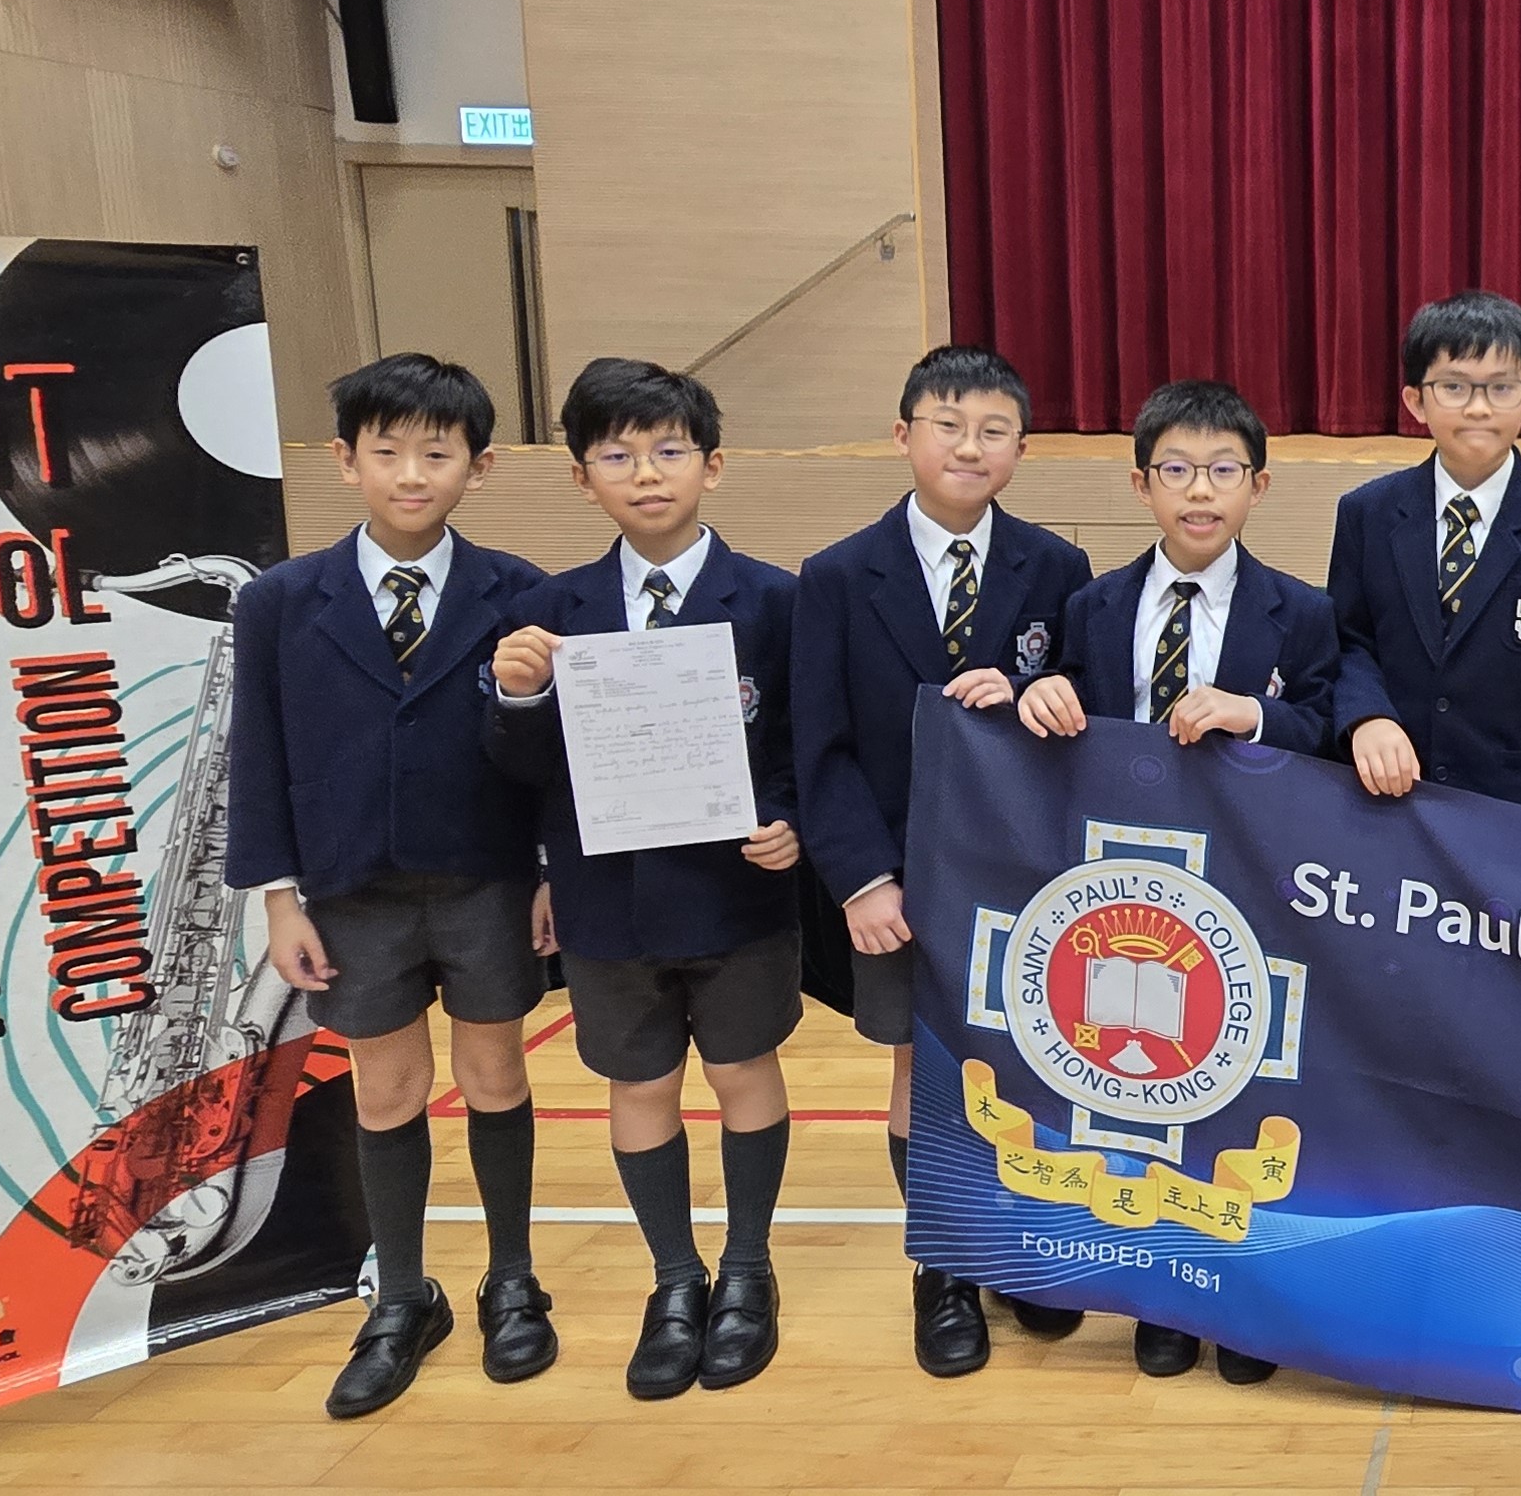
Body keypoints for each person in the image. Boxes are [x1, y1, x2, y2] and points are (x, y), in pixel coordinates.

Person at [225, 352, 556, 1419]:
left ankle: (513, 1279)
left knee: (496, 1073)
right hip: (350, 886)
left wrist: (548, 869)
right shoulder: (280, 601)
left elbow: (553, 754)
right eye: (388, 451)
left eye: (438, 453)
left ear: (479, 466)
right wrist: (279, 895)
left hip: (487, 876)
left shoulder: (521, 591)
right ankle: (403, 1294)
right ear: (346, 460)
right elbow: (257, 753)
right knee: (386, 1088)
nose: (412, 473)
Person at [487, 358, 804, 1398]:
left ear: (714, 465)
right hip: (607, 901)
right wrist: (517, 699)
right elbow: (524, 774)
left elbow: (806, 740)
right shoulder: (550, 609)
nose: (648, 473)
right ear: (582, 477)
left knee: (745, 1070)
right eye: (617, 455)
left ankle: (747, 1268)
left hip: (738, 895)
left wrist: (792, 823)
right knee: (640, 1084)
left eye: (669, 450)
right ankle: (675, 1278)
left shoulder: (776, 600)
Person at [1012, 378, 1328, 1389]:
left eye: (1223, 470)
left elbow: (1327, 726)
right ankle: (1159, 1292)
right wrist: (1036, 691)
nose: (1201, 490)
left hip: (1247, 892)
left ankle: (1239, 1296)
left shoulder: (1302, 612)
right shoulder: (1092, 606)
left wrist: (1256, 715)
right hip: (1122, 899)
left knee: (1242, 1090)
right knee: (1138, 1089)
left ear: (1258, 485)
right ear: (1141, 484)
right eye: (1178, 470)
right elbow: (1061, 709)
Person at [790, 345, 1094, 1377]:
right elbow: (819, 749)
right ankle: (946, 1268)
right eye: (948, 425)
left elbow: (1082, 718)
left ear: (1022, 447)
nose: (970, 447)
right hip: (900, 883)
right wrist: (862, 880)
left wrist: (1041, 697)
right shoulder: (836, 576)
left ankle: (1019, 1249)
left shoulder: (1056, 568)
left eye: (994, 430)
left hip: (1022, 880)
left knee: (1030, 1066)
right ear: (903, 434)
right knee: (920, 1075)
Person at [1325, 290, 1521, 815]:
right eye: (1454, 386)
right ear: (1416, 401)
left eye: (1501, 387)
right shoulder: (1366, 514)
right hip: (1391, 799)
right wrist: (1366, 715)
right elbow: (1348, 641)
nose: (1478, 407)